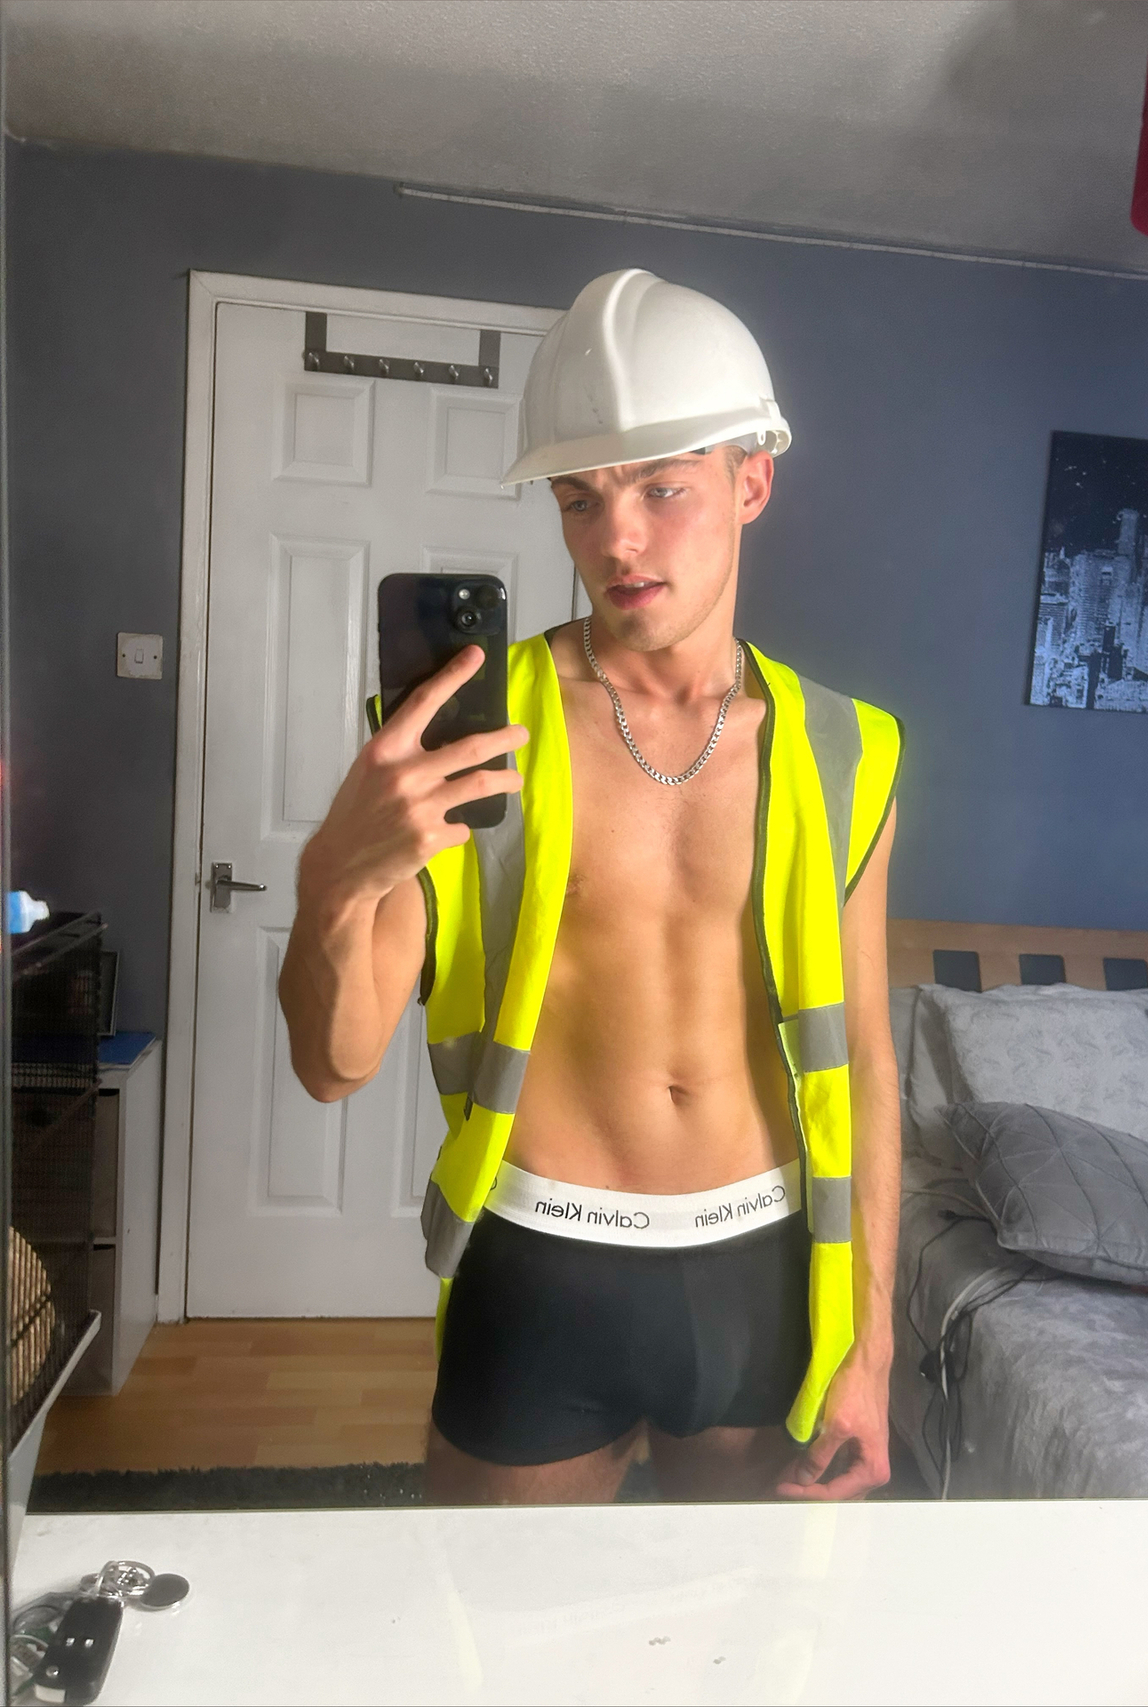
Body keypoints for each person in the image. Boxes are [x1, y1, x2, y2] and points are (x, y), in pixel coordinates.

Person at [279, 269, 903, 1504]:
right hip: (540, 1265)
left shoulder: (849, 747)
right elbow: (332, 1064)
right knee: (491, 1620)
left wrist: (872, 1347)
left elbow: (871, 1061)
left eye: (660, 488)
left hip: (759, 1268)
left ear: (750, 482)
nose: (614, 539)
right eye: (579, 499)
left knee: (736, 1621)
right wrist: (338, 875)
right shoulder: (471, 731)